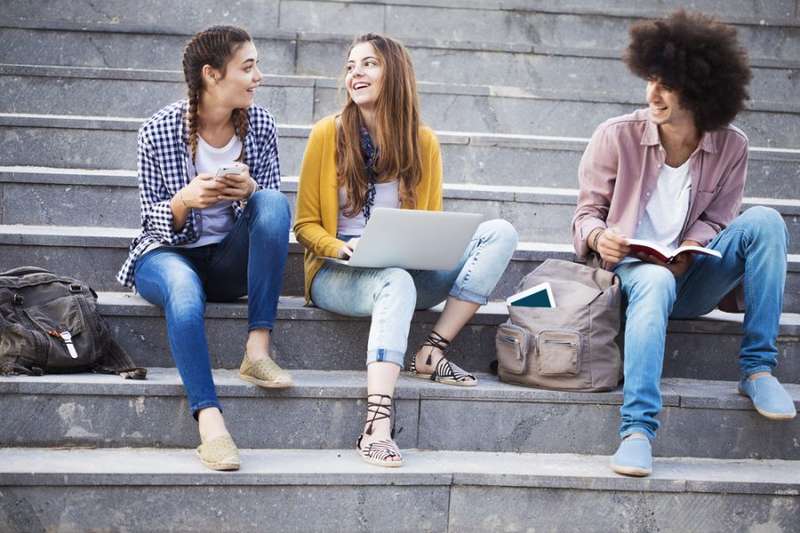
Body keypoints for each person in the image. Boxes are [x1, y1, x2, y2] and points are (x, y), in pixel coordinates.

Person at [572, 11, 795, 478]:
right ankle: (637, 431)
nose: (653, 94)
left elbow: (720, 218)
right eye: (650, 79)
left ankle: (757, 370)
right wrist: (600, 236)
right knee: (652, 277)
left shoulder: (731, 146)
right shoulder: (617, 136)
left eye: (667, 85)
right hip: (634, 278)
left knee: (766, 222)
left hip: (692, 277)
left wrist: (690, 249)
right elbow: (585, 214)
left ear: (700, 91)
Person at [294, 33, 518, 467]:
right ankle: (376, 425)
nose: (355, 73)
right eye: (350, 66)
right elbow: (304, 226)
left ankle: (432, 352)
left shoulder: (423, 143)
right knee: (394, 280)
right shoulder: (327, 135)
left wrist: (419, 249)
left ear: (393, 74)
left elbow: (427, 227)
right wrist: (341, 247)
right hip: (337, 273)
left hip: (403, 273)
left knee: (500, 233)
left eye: (368, 64)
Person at [116, 26, 293, 471]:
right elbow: (149, 221)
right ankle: (210, 423)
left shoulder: (261, 125)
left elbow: (270, 216)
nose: (259, 77)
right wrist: (184, 201)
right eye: (248, 67)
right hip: (168, 254)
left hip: (230, 259)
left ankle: (257, 351)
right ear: (212, 75)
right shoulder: (158, 130)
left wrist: (250, 189)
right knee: (183, 290)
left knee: (271, 200)